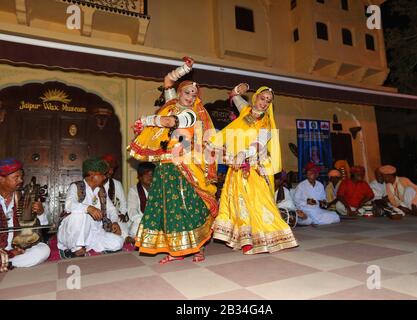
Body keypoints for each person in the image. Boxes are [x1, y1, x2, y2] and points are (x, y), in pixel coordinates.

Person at [128, 57, 218, 264]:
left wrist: (146, 120)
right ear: (178, 93)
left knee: (189, 205)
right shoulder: (170, 104)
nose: (190, 97)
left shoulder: (191, 114)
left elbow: (170, 122)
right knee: (166, 207)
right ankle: (174, 248)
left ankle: (198, 248)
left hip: (185, 165)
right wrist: (183, 69)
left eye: (194, 94)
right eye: (187, 92)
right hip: (165, 166)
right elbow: (167, 81)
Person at [208, 84, 298, 254]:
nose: (264, 103)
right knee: (238, 203)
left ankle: (270, 237)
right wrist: (242, 88)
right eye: (263, 98)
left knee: (259, 202)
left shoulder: (267, 123)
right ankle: (245, 239)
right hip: (236, 167)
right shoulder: (245, 110)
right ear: (256, 97)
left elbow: (259, 144)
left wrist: (243, 153)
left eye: (268, 101)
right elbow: (234, 95)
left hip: (254, 167)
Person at [57, 157, 124, 258]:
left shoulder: (101, 191)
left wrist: (114, 221)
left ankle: (86, 245)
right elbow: (69, 205)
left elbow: (111, 209)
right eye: (102, 174)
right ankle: (76, 248)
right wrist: (88, 208)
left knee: (118, 242)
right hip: (72, 233)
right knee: (80, 215)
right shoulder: (76, 186)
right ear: (92, 174)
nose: (105, 177)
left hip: (94, 233)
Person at [0, 158, 50, 271]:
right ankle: (6, 261)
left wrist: (41, 213)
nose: (21, 180)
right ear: (1, 179)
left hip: (19, 248)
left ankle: (7, 263)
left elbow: (43, 228)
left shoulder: (23, 198)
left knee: (44, 250)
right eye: (16, 177)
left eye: (21, 177)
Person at [101, 154, 129, 241]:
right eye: (109, 169)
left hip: (114, 216)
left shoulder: (117, 184)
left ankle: (126, 238)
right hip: (99, 216)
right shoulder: (95, 183)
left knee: (122, 224)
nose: (111, 172)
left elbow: (123, 203)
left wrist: (123, 213)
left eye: (113, 169)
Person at [127, 162, 155, 242]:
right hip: (140, 222)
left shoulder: (158, 189)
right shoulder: (134, 190)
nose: (150, 177)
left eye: (152, 174)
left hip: (156, 222)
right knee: (136, 228)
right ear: (139, 176)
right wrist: (145, 221)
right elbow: (132, 211)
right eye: (147, 174)